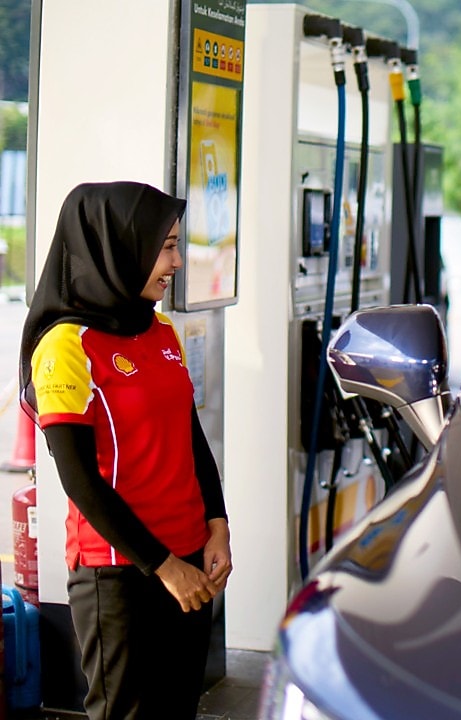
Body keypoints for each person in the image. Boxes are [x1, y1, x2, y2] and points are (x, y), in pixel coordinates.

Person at [18, 182, 232, 719]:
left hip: (189, 558)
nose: (177, 262)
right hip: (120, 572)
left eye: (177, 245)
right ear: (120, 247)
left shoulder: (160, 330)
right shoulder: (66, 347)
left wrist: (217, 524)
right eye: (165, 247)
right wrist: (164, 567)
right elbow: (80, 481)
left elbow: (191, 437)